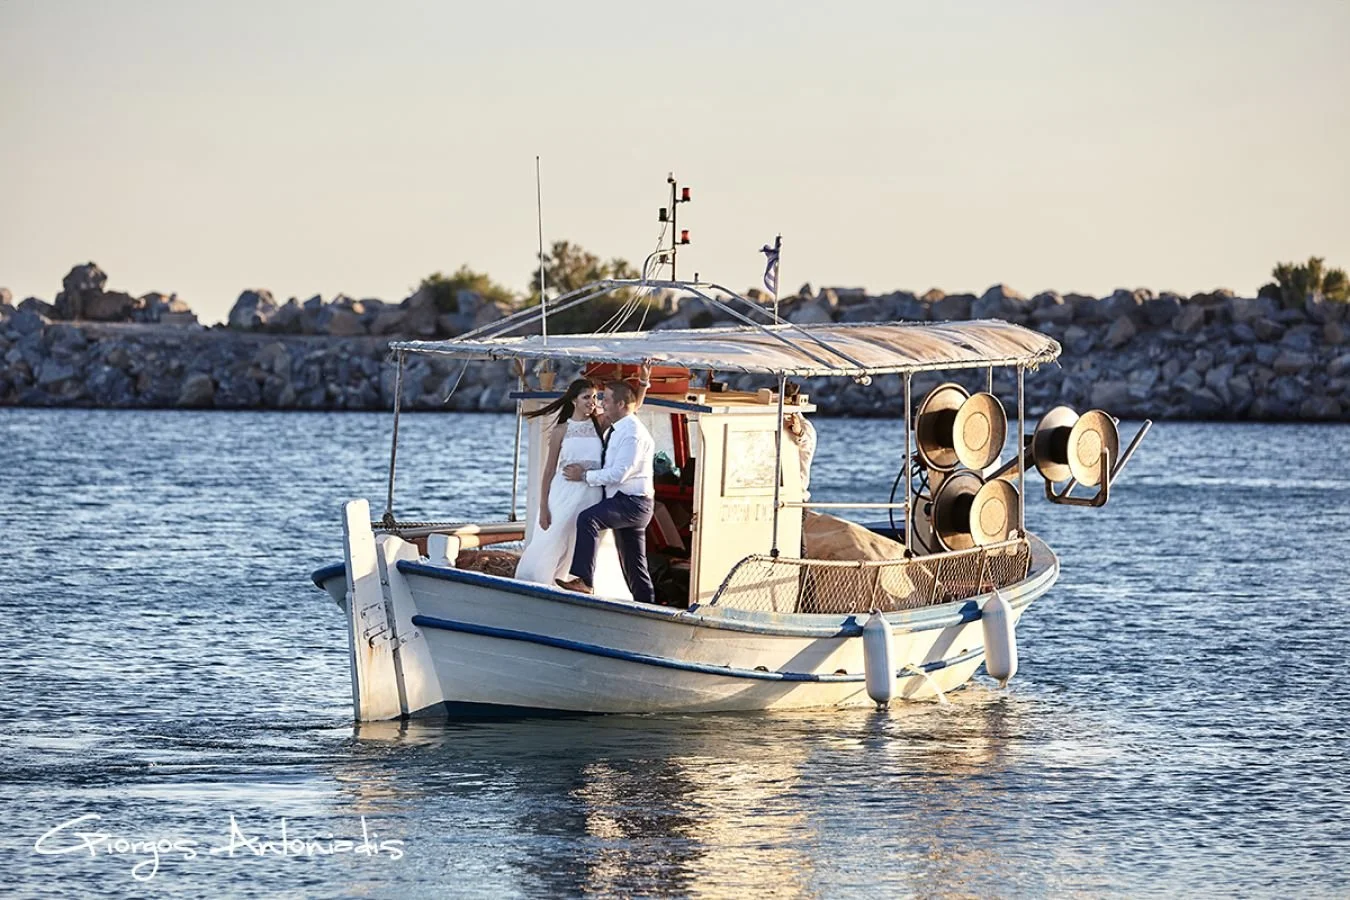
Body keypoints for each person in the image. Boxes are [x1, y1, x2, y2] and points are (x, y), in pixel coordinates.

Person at [513, 378, 626, 591]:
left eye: (595, 397)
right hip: (562, 494)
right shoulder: (560, 431)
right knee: (553, 537)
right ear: (574, 400)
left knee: (582, 541)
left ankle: (576, 584)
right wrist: (544, 507)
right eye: (586, 397)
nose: (592, 402)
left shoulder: (599, 423)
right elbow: (548, 472)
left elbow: (629, 407)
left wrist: (644, 382)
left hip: (591, 494)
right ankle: (537, 584)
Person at [557, 378, 657, 603]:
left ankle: (584, 581)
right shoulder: (621, 427)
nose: (602, 404)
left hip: (632, 503)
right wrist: (643, 383)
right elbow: (633, 404)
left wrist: (583, 476)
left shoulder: (632, 433)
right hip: (630, 502)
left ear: (620, 404)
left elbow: (619, 473)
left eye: (606, 399)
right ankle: (649, 608)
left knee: (588, 519)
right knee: (634, 567)